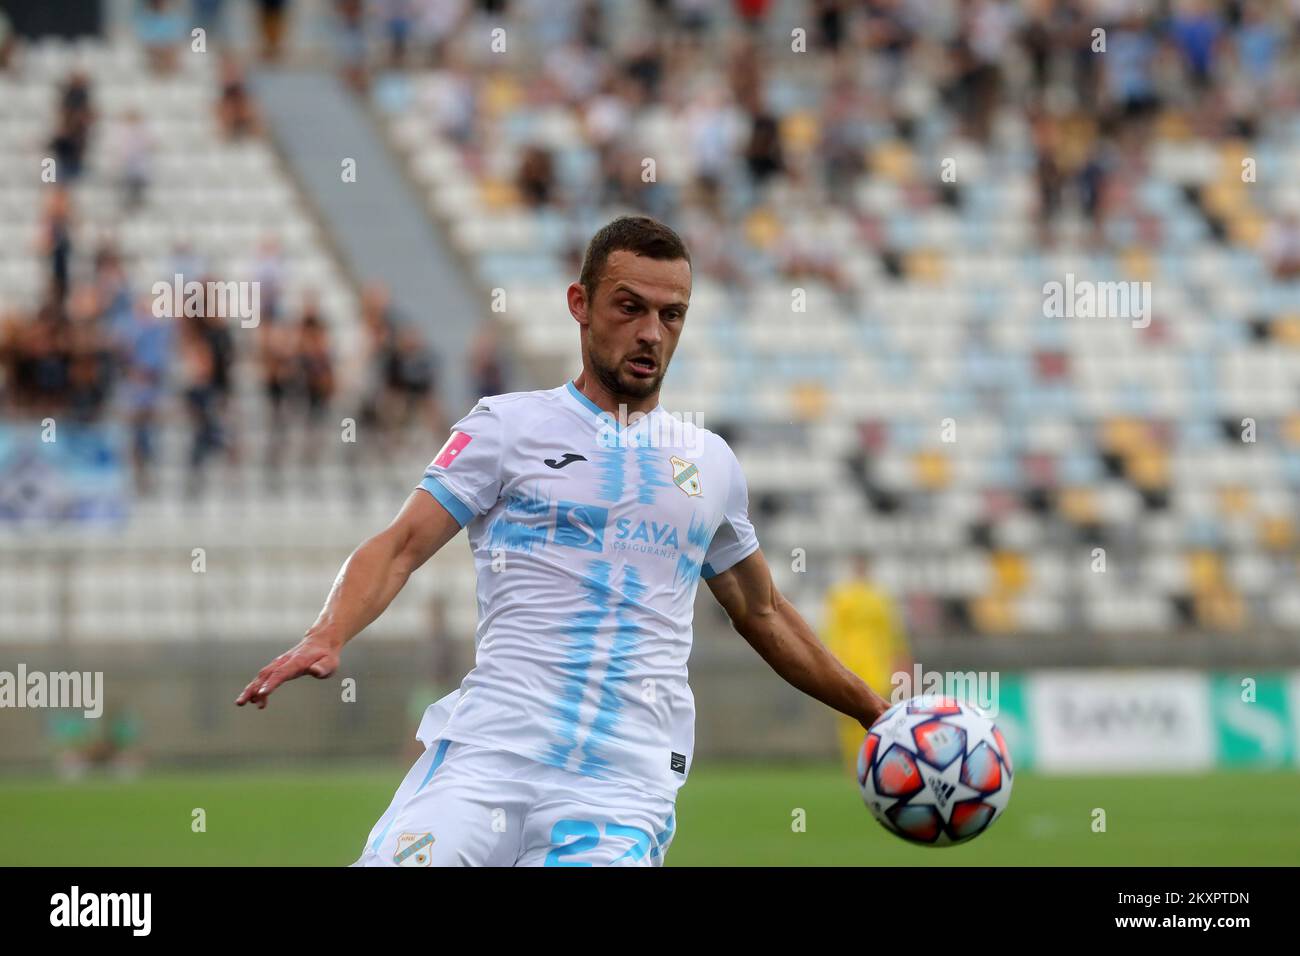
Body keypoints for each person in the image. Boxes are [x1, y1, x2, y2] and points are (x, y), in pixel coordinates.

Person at [236, 216, 889, 867]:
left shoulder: (710, 463)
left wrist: (873, 711)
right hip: (490, 751)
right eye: (629, 308)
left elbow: (762, 611)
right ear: (580, 305)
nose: (650, 333)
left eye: (671, 315)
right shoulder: (506, 427)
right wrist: (329, 631)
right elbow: (400, 546)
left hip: (620, 786)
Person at [822, 552, 911, 776]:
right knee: (849, 713)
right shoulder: (841, 596)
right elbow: (833, 630)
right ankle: (855, 763)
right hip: (850, 660)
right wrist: (833, 658)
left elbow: (894, 632)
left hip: (877, 661)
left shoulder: (880, 597)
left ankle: (874, 758)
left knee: (879, 710)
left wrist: (901, 658)